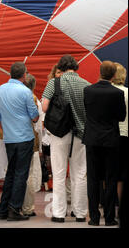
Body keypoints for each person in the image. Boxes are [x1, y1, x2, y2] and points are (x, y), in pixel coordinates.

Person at [42, 54, 90, 223]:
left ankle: (59, 213)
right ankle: (80, 213)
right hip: (81, 134)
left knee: (59, 173)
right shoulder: (86, 84)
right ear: (75, 67)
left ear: (60, 67)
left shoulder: (54, 83)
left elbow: (44, 106)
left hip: (59, 133)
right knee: (80, 174)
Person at [0, 62, 39, 221]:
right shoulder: (25, 92)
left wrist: (7, 128)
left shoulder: (0, 89)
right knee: (21, 174)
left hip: (9, 138)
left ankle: (3, 209)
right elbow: (34, 116)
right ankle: (14, 208)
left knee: (11, 173)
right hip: (24, 137)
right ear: (24, 75)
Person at [83, 61, 126, 226]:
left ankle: (94, 217)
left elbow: (87, 112)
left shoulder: (88, 91)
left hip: (92, 139)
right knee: (110, 178)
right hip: (111, 140)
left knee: (93, 179)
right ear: (114, 75)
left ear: (99, 72)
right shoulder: (116, 93)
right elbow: (121, 116)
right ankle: (109, 217)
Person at [22, 73, 43, 217]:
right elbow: (38, 125)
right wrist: (40, 146)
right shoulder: (34, 99)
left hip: (10, 138)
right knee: (28, 174)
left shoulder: (10, 95)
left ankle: (12, 204)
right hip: (29, 139)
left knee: (13, 173)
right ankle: (28, 207)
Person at [111, 63, 128, 217]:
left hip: (109, 136)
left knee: (109, 173)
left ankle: (108, 205)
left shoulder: (106, 92)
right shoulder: (128, 93)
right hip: (125, 136)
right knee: (122, 174)